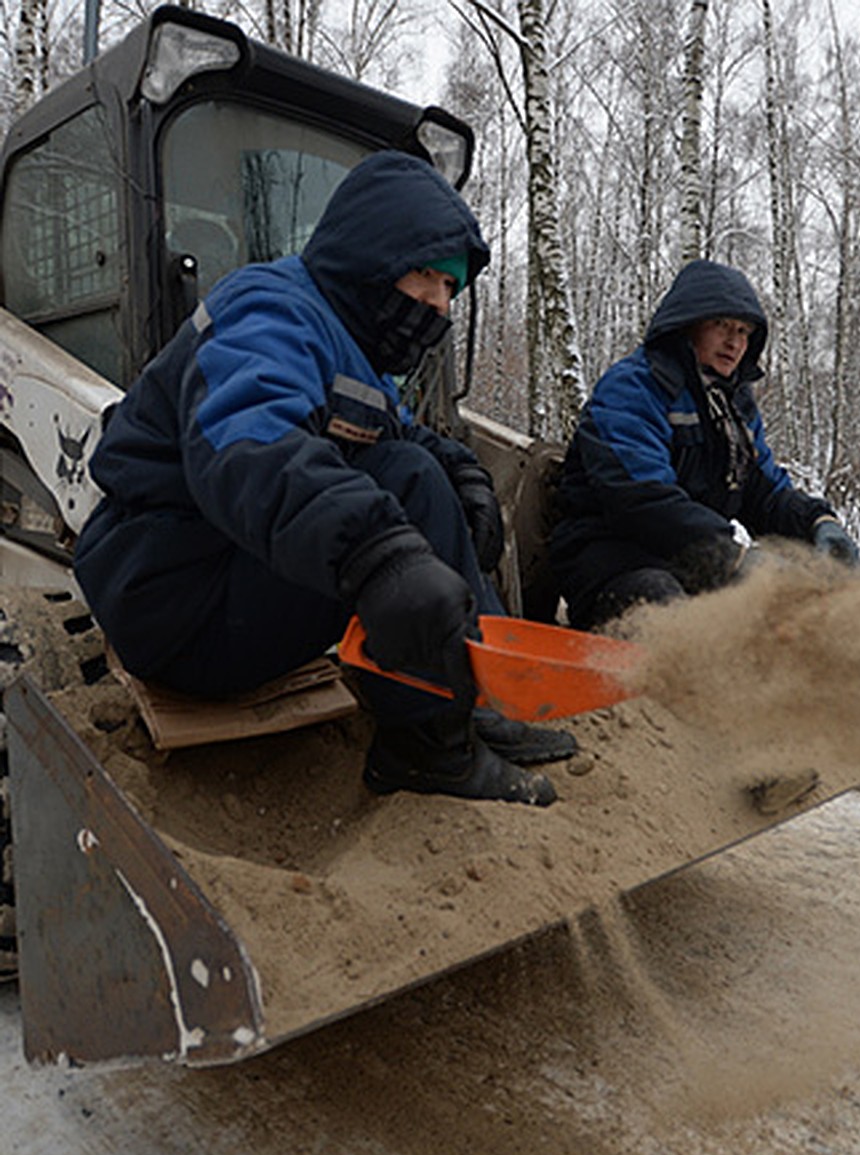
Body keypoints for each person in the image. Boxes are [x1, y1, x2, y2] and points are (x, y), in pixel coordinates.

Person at [74, 150, 576, 808]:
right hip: (173, 599)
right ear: (373, 255)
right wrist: (377, 553)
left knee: (422, 472)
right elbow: (248, 442)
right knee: (405, 485)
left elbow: (394, 433)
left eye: (450, 288)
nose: (437, 304)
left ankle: (464, 699)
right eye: (426, 275)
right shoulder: (272, 313)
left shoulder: (349, 347)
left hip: (214, 573)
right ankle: (426, 749)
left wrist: (468, 478)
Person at [550, 259, 860, 630]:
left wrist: (817, 522)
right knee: (675, 620)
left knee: (791, 619)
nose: (734, 342)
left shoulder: (733, 407)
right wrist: (731, 557)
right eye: (721, 325)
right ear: (687, 324)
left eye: (744, 331)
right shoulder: (634, 387)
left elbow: (762, 492)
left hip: (692, 564)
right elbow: (641, 498)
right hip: (611, 562)